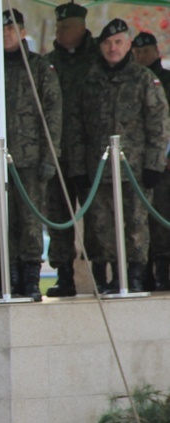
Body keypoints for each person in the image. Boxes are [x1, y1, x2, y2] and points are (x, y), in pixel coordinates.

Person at [71, 19, 170, 292]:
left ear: (128, 45)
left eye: (117, 42)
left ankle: (136, 276)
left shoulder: (144, 79)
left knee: (136, 226)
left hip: (136, 170)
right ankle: (114, 277)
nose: (112, 48)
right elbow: (77, 129)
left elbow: (159, 125)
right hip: (99, 170)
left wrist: (154, 164)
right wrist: (79, 168)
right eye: (106, 43)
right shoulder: (88, 81)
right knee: (103, 228)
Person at [0, 8, 62, 302]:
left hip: (29, 158)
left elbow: (52, 114)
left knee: (29, 222)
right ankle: (9, 277)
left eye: (11, 29)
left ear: (23, 32)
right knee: (1, 220)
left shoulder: (39, 68)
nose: (6, 35)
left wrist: (49, 157)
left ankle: (29, 278)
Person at [44, 2, 100, 297]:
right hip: (58, 153)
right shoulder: (49, 62)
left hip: (92, 155)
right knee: (58, 215)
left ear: (81, 26)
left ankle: (101, 273)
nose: (60, 31)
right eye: (58, 26)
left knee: (97, 216)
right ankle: (64, 274)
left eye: (66, 26)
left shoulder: (97, 58)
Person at [132, 31, 170, 291]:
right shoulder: (133, 80)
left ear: (156, 51)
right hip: (139, 161)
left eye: (145, 51)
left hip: (165, 161)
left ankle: (164, 274)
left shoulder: (166, 80)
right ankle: (142, 272)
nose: (141, 56)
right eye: (136, 52)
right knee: (141, 219)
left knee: (162, 219)